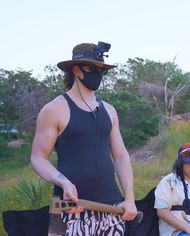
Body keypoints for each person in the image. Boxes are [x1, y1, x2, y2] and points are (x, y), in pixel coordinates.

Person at [31, 41, 137, 236]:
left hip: (111, 209)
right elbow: (38, 157)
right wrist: (63, 182)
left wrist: (129, 199)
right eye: (91, 68)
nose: (97, 73)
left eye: (100, 69)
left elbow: (121, 156)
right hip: (71, 209)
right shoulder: (54, 109)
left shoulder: (110, 111)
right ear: (76, 70)